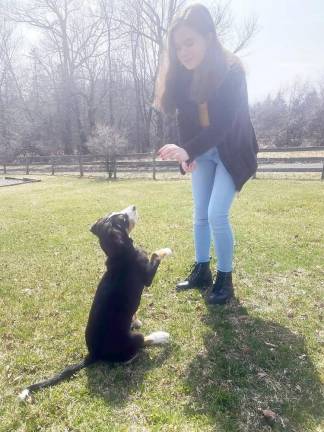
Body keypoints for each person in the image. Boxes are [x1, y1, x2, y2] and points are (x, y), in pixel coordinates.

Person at [154, 3, 258, 305]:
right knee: (199, 214)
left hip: (232, 150)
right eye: (178, 46)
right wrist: (186, 156)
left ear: (209, 37)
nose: (183, 52)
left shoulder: (232, 70)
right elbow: (184, 122)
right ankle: (202, 271)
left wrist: (189, 149)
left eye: (190, 42)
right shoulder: (183, 75)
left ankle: (225, 280)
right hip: (202, 151)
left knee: (216, 214)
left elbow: (224, 124)